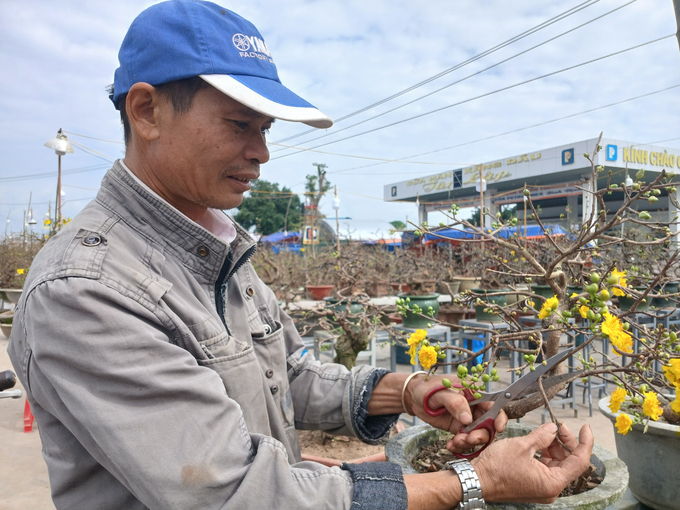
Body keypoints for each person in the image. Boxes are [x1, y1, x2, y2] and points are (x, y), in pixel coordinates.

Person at [8, 2, 594, 509]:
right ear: (146, 111)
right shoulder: (87, 291)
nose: (261, 152)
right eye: (240, 124)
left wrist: (408, 388)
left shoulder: (214, 248)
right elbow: (232, 493)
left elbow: (288, 375)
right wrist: (470, 482)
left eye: (265, 129)